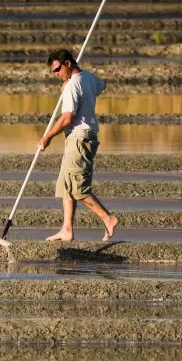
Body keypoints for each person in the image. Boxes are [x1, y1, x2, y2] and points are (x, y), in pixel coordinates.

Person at [38, 48, 119, 242]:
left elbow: (67, 118)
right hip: (83, 136)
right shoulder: (87, 78)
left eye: (57, 69)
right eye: (53, 71)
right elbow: (102, 85)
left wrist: (48, 137)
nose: (56, 74)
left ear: (67, 63)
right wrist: (71, 84)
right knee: (67, 185)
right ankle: (67, 230)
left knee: (77, 189)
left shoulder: (73, 86)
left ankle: (108, 218)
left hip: (79, 137)